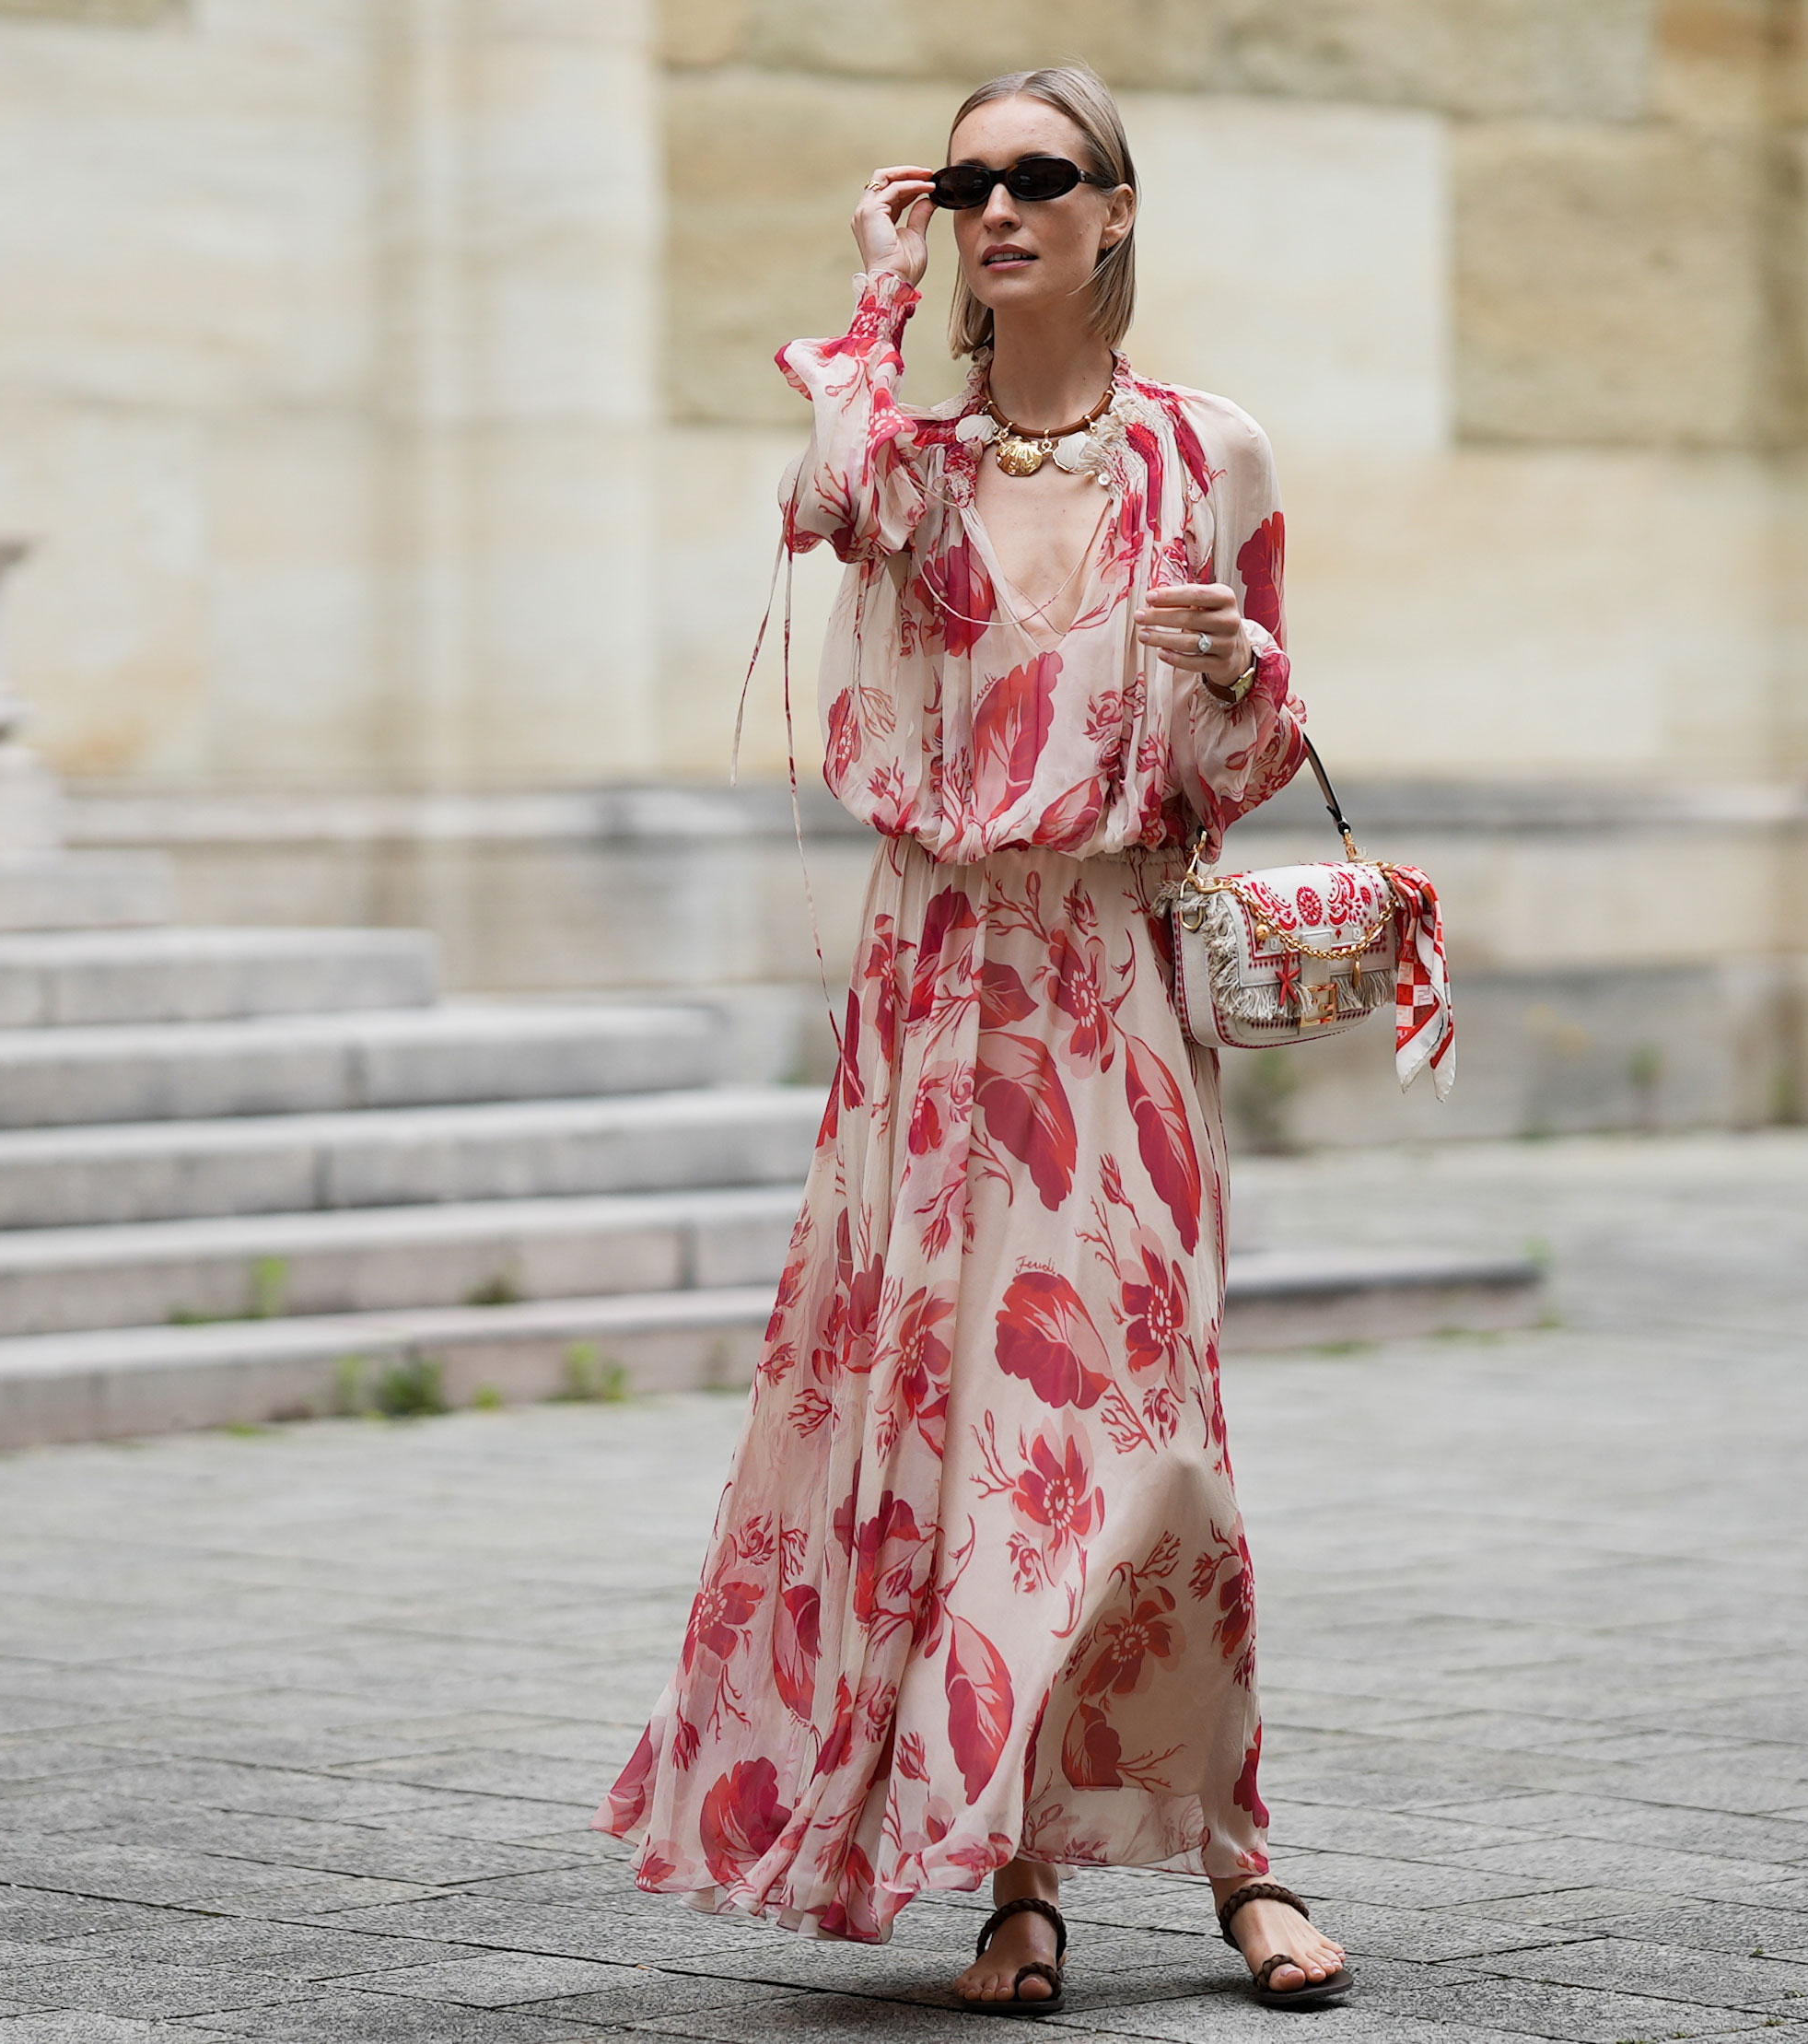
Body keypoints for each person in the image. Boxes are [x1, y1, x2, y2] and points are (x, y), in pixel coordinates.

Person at [592, 64, 1351, 2015]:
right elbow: (819, 506)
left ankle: (1231, 1852)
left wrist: (1238, 686)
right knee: (952, 1452)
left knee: (1150, 1448)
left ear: (1111, 210)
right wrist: (861, 300)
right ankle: (1011, 1882)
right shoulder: (908, 455)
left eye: (1038, 177)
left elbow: (1236, 774)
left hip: (1110, 988)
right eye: (963, 184)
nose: (994, 209)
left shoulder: (1214, 454)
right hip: (930, 988)